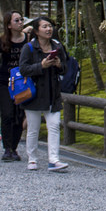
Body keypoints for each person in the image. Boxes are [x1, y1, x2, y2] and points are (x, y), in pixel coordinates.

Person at [18, 17, 69, 173]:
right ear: (36, 30)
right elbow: (23, 69)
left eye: (50, 26)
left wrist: (59, 65)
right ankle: (32, 158)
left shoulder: (58, 46)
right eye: (44, 26)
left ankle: (54, 160)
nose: (49, 29)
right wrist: (41, 65)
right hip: (34, 93)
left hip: (53, 92)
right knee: (33, 128)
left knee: (54, 126)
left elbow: (66, 68)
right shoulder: (29, 47)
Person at [0, 10, 28, 161]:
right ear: (9, 24)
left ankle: (14, 147)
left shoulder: (28, 40)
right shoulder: (3, 41)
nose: (20, 23)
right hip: (5, 81)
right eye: (16, 20)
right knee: (7, 113)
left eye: (21, 20)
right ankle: (7, 148)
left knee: (19, 115)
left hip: (22, 82)